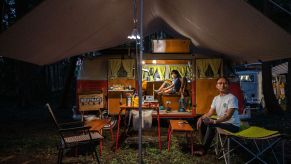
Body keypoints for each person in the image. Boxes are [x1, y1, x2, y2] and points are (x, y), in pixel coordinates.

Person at [195, 77, 240, 156]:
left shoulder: (232, 98)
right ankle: (203, 145)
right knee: (203, 120)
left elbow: (228, 117)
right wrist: (201, 118)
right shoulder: (216, 98)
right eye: (220, 83)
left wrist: (214, 121)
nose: (222, 85)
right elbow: (210, 113)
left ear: (228, 85)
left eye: (225, 83)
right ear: (217, 86)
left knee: (211, 125)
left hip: (232, 125)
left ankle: (204, 149)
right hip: (222, 123)